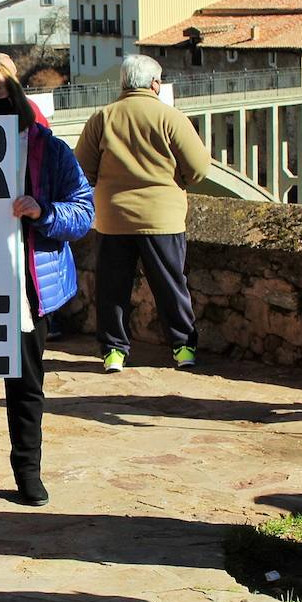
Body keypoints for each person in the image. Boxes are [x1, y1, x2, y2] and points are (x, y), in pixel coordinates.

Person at [0, 61, 94, 510]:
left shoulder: (49, 150)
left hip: (28, 289)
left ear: (15, 98)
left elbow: (83, 212)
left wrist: (43, 211)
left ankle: (28, 474)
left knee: (26, 386)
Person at [74, 54, 209, 373]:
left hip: (113, 217)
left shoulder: (103, 118)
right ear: (155, 84)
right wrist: (177, 183)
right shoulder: (170, 118)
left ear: (123, 82)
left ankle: (114, 352)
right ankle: (183, 347)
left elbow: (81, 168)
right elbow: (200, 168)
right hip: (162, 217)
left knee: (112, 288)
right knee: (170, 285)